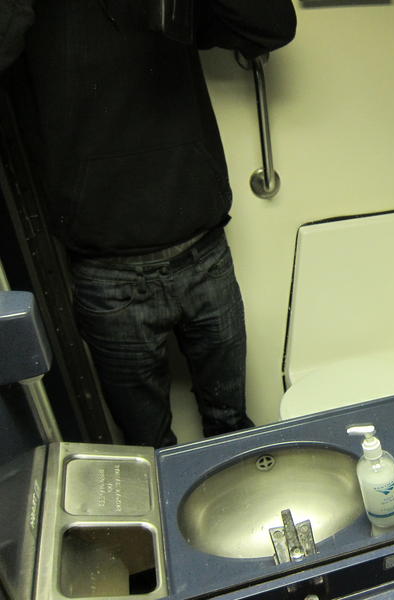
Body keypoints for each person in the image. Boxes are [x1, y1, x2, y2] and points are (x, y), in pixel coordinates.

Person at [0, 0, 297, 447]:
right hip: (108, 279)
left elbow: (273, 25)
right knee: (146, 450)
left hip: (204, 255)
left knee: (231, 425)